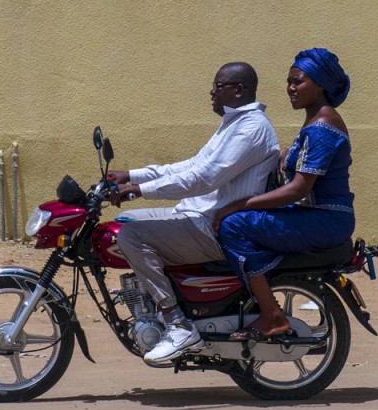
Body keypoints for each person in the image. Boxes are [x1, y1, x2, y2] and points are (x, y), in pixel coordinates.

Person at [109, 62, 279, 366]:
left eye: (218, 86)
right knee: (123, 223)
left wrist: (139, 190)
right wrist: (131, 174)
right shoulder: (233, 124)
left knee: (130, 236)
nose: (211, 93)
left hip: (215, 226)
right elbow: (190, 166)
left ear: (238, 89)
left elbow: (204, 178)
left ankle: (177, 323)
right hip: (199, 215)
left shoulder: (252, 128)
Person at [214, 47, 354, 340]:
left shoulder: (322, 127)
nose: (290, 88)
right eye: (289, 82)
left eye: (298, 82)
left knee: (234, 225)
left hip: (325, 219)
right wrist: (285, 153)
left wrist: (240, 204)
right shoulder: (318, 121)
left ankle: (272, 314)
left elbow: (299, 189)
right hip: (317, 216)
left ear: (320, 85)